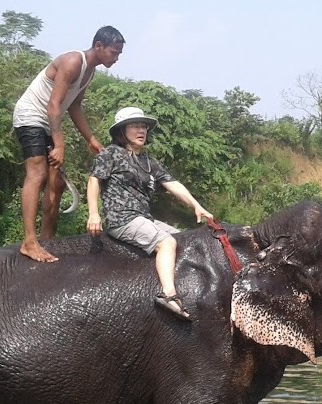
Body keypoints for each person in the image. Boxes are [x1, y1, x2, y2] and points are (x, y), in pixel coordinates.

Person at [86, 106, 213, 321]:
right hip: (122, 217)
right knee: (166, 243)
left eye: (144, 126)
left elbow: (173, 184)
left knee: (183, 239)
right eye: (135, 125)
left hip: (144, 218)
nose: (141, 130)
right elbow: (94, 180)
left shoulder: (148, 162)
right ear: (122, 130)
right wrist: (93, 213)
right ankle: (168, 294)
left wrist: (196, 205)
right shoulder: (111, 154)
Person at [12, 26, 125, 263]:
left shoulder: (90, 72)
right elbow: (54, 105)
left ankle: (47, 240)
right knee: (37, 173)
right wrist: (59, 144)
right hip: (31, 116)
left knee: (57, 182)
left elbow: (73, 106)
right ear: (98, 47)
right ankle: (29, 242)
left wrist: (92, 139)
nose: (116, 59)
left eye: (118, 54)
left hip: (48, 122)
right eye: (113, 52)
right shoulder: (73, 61)